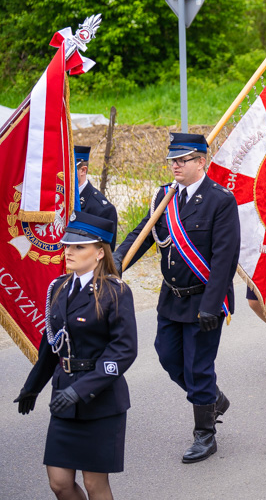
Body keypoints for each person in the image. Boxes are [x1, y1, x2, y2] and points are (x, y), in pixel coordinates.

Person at [114, 132, 240, 463]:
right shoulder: (163, 197)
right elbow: (142, 234)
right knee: (169, 358)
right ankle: (212, 398)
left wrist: (213, 304)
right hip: (171, 299)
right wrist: (117, 260)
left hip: (204, 298)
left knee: (198, 367)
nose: (175, 166)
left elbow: (225, 257)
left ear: (202, 162)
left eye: (182, 160)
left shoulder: (220, 200)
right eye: (172, 160)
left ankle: (205, 434)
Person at [16, 211, 137, 500]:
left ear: (98, 253)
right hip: (63, 395)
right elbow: (51, 346)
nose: (68, 251)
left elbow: (124, 352)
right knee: (59, 482)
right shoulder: (58, 288)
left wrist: (81, 391)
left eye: (78, 247)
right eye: (67, 245)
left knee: (95, 484)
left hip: (101, 400)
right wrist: (32, 387)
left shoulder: (115, 291)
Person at [74, 146, 118, 250]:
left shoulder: (102, 210)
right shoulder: (57, 200)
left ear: (83, 171)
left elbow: (104, 257)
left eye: (67, 169)